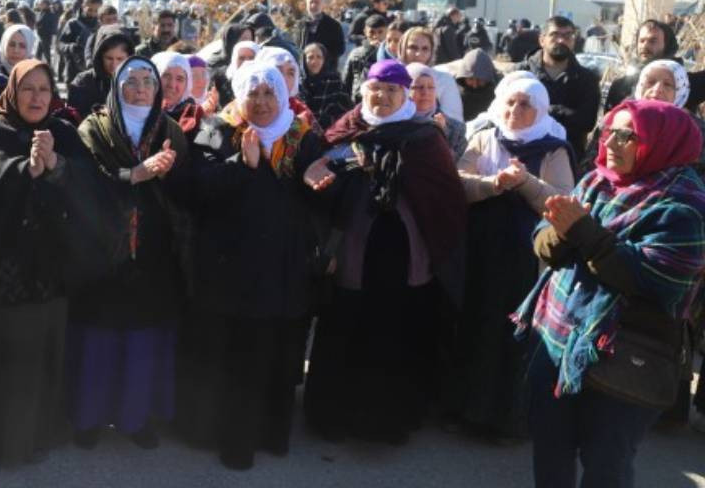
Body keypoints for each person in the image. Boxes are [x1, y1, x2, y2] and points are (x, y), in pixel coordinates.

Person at [512, 99, 705, 488]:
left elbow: (658, 280)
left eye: (628, 135)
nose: (612, 142)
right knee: (550, 449)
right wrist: (558, 234)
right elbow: (544, 243)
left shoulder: (684, 206)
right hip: (557, 340)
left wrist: (582, 232)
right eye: (610, 131)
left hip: (623, 354)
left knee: (606, 467)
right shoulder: (596, 181)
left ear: (663, 141)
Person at [303, 60, 466, 445]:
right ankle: (332, 418)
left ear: (404, 94)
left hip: (405, 254)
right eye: (376, 89)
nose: (383, 96)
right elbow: (319, 182)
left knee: (395, 333)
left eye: (392, 90)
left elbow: (444, 197)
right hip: (352, 250)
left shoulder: (425, 138)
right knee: (346, 325)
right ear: (364, 91)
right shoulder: (346, 130)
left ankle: (388, 421)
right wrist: (325, 175)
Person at [182, 61, 323, 469]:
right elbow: (199, 190)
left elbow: (318, 199)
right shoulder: (219, 130)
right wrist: (241, 165)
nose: (261, 103)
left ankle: (271, 435)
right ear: (239, 95)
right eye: (252, 93)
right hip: (233, 269)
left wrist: (319, 183)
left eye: (269, 93)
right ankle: (235, 442)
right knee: (238, 358)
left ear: (282, 95)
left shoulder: (301, 136)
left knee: (277, 355)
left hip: (284, 267)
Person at [0, 59, 99, 468]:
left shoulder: (63, 132)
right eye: (28, 88)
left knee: (41, 358)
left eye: (44, 89)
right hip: (2, 267)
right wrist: (27, 168)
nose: (37, 97)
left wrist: (57, 166)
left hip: (48, 269)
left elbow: (89, 181)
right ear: (13, 92)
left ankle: (34, 438)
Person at [73, 55, 190, 451]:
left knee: (142, 341)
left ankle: (135, 418)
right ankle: (89, 418)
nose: (140, 90)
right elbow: (84, 182)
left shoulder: (170, 130)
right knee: (99, 339)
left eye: (148, 82)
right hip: (103, 250)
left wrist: (169, 175)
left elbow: (187, 191)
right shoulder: (95, 128)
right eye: (132, 82)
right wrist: (136, 174)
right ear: (116, 87)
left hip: (154, 253)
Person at [452, 76, 574, 442]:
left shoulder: (553, 148)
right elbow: (458, 182)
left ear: (541, 110)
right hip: (481, 249)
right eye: (509, 102)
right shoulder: (484, 137)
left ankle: (505, 420)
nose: (514, 111)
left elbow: (563, 201)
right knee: (476, 325)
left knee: (514, 333)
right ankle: (465, 410)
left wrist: (525, 183)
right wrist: (494, 184)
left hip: (524, 258)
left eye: (525, 105)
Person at [514, 16, 600, 158]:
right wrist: (565, 113)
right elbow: (505, 113)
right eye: (555, 35)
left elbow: (587, 122)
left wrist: (545, 110)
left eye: (567, 36)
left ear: (573, 41)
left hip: (568, 157)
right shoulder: (520, 74)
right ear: (542, 40)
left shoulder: (587, 79)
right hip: (521, 155)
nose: (561, 41)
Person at [603, 19, 678, 112]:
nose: (645, 46)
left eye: (652, 41)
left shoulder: (684, 84)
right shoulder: (621, 85)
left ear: (667, 45)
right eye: (642, 41)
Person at [67, 24, 135, 120]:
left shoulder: (137, 83)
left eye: (120, 59)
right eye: (109, 58)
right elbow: (73, 119)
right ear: (100, 56)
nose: (114, 64)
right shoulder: (83, 83)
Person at [406, 63, 467, 160]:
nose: (425, 92)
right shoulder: (393, 124)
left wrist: (441, 134)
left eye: (431, 87)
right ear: (405, 90)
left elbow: (457, 163)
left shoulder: (455, 130)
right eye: (418, 87)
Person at [401, 26, 463, 119]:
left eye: (425, 49)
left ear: (432, 52)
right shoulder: (393, 77)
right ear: (402, 49)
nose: (419, 54)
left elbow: (454, 120)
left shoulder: (444, 80)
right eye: (413, 48)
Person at [152, 51, 205, 141]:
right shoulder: (139, 114)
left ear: (187, 84)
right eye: (166, 76)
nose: (172, 85)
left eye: (180, 79)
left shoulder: (194, 116)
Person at [301, 43, 352, 130]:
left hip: (330, 131)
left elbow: (345, 110)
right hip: (304, 131)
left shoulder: (334, 81)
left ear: (324, 59)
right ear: (304, 60)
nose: (315, 61)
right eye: (310, 57)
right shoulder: (299, 84)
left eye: (319, 57)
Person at [294, 0, 346, 69]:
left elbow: (340, 49)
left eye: (317, 2)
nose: (313, 5)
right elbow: (296, 46)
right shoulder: (300, 25)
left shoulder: (333, 25)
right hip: (304, 68)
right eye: (311, 2)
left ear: (323, 5)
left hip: (326, 69)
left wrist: (321, 59)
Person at [57, 0, 101, 82]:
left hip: (94, 73)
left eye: (96, 10)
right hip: (73, 72)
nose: (93, 13)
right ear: (83, 6)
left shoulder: (101, 25)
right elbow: (60, 45)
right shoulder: (73, 24)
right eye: (90, 10)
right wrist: (71, 47)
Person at [447, 48, 499, 122]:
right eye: (470, 79)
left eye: (480, 80)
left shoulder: (499, 92)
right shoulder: (452, 91)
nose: (475, 85)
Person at [343, 13, 388, 99]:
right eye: (372, 32)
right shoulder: (356, 53)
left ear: (387, 32)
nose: (376, 36)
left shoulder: (390, 54)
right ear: (365, 32)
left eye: (380, 32)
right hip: (359, 98)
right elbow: (347, 81)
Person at [210, 28, 257, 108]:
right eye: (241, 58)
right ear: (234, 59)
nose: (246, 62)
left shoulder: (264, 81)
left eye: (251, 58)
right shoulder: (220, 78)